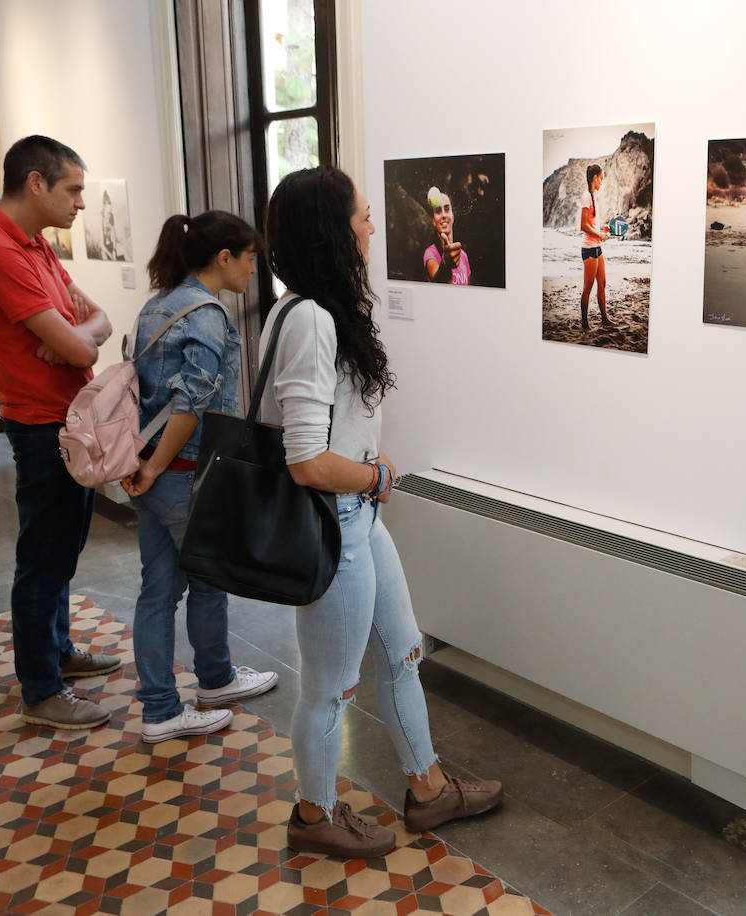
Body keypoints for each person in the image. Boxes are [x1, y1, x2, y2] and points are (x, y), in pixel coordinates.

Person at [260, 166, 502, 858]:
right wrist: (373, 473)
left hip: (359, 517)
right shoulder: (307, 317)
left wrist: (371, 473)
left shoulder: (320, 310)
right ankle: (314, 814)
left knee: (403, 652)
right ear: (331, 232)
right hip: (333, 525)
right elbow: (305, 459)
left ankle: (427, 789)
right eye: (363, 216)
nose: (371, 227)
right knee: (331, 688)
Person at [0, 135, 120, 730]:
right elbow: (80, 338)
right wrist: (76, 340)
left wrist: (80, 338)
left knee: (61, 551)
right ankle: (41, 690)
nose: (80, 202)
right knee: (43, 560)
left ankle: (57, 654)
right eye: (73, 189)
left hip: (67, 415)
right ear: (35, 183)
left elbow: (94, 320)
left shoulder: (34, 245)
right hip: (39, 423)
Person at [120, 211, 278, 743]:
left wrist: (144, 468)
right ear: (225, 258)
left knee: (157, 591)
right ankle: (208, 684)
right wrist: (160, 467)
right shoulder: (206, 315)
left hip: (151, 472)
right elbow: (190, 405)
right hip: (184, 474)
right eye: (251, 258)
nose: (255, 269)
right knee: (208, 583)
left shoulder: (156, 305)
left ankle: (170, 702)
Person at [579, 164, 620, 330]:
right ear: (595, 178)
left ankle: (604, 319)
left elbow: (591, 225)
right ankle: (585, 323)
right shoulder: (586, 197)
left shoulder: (593, 196)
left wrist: (602, 230)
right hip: (589, 249)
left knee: (602, 284)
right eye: (601, 178)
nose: (602, 182)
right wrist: (599, 235)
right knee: (587, 288)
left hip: (597, 247)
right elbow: (583, 225)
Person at [422, 187, 470, 285]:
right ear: (433, 221)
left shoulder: (463, 256)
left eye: (447, 209)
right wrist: (446, 264)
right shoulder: (430, 253)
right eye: (438, 211)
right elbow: (437, 280)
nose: (443, 215)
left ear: (453, 216)